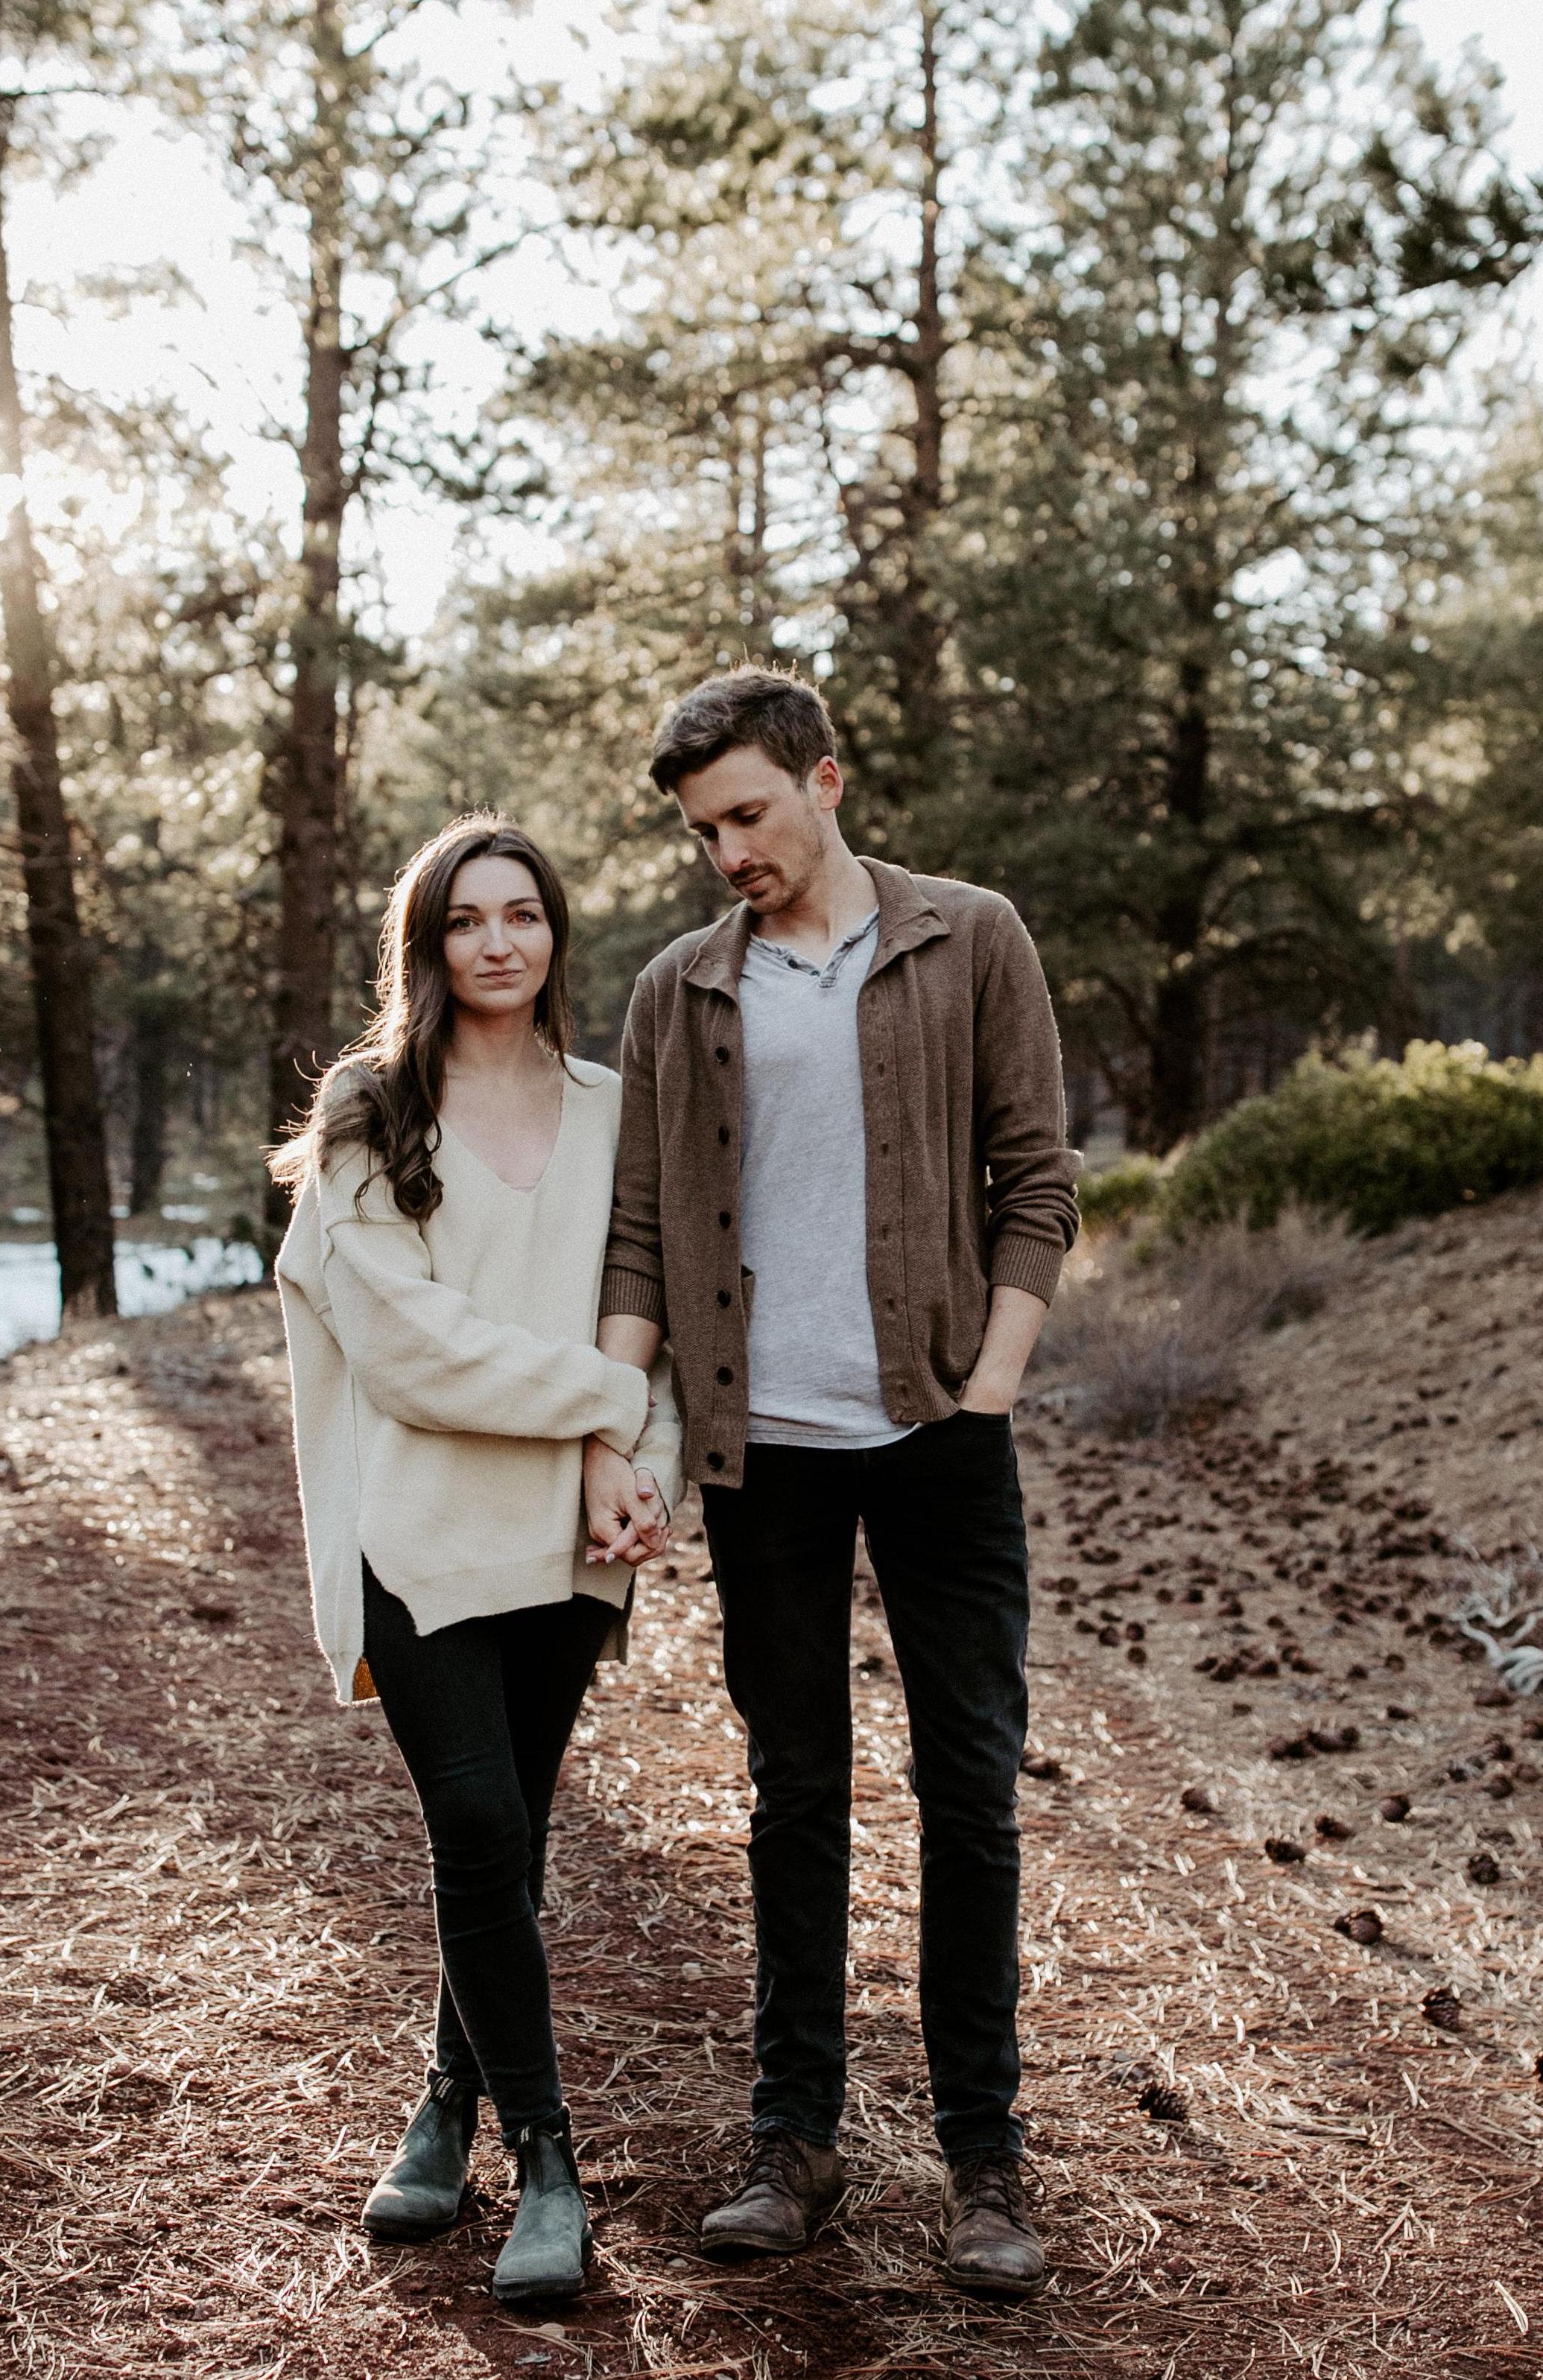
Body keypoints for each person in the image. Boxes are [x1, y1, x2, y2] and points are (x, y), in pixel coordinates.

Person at [585, 667, 1080, 2298]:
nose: (726, 849)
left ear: (825, 781)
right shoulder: (682, 987)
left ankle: (983, 2154)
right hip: (763, 1453)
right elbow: (643, 1226)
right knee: (794, 1789)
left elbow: (1035, 1177)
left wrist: (988, 1377)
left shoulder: (967, 936)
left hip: (941, 1438)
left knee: (969, 1790)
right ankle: (790, 2135)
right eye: (699, 829)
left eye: (746, 813)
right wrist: (613, 1424)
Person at [272, 815, 679, 2308]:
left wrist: (641, 1469)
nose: (498, 941)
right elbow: (405, 1347)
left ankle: (446, 2102)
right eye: (465, 918)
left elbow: (661, 1310)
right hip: (422, 1529)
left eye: (524, 914)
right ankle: (549, 2164)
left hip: (567, 1540)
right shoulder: (370, 1110)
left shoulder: (617, 1108)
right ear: (425, 942)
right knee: (475, 1820)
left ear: (555, 936)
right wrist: (605, 1407)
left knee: (504, 1846)